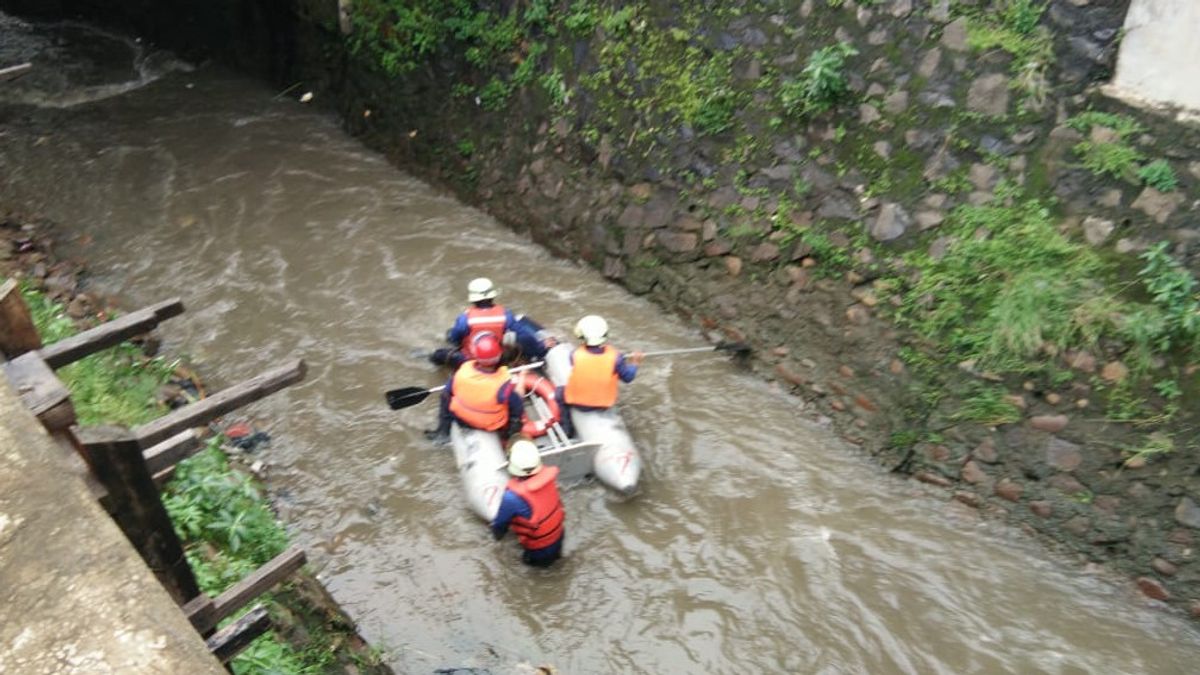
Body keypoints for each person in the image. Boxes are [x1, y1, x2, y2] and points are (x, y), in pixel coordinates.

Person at [425, 331, 524, 445]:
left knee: (445, 396)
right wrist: (515, 420)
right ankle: (508, 435)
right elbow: (517, 406)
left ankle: (443, 431)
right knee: (514, 404)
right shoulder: (503, 383)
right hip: (490, 424)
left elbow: (446, 394)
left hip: (460, 419)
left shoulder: (463, 370)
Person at [559, 315, 643, 433]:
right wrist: (635, 363)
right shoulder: (616, 358)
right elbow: (628, 377)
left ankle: (567, 427)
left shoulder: (574, 354)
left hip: (578, 403)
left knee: (559, 393)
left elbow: (587, 365)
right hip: (603, 405)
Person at [492, 438, 564, 567]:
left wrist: (496, 541)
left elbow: (500, 525)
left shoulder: (511, 498)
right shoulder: (548, 479)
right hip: (558, 538)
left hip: (538, 551)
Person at [430, 277, 516, 368]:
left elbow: (454, 339)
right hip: (497, 358)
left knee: (440, 352)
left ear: (473, 299)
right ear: (492, 296)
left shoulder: (465, 318)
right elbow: (515, 334)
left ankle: (424, 356)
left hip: (470, 359)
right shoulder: (507, 315)